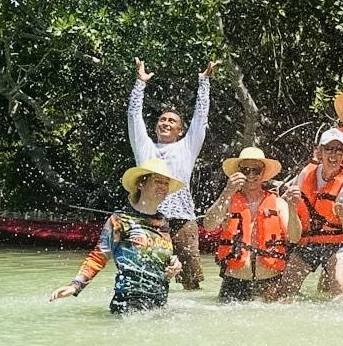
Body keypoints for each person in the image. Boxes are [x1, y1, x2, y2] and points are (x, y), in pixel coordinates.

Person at [128, 57, 218, 290]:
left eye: (172, 121)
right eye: (162, 119)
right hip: (148, 219)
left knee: (191, 282)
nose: (166, 123)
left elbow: (201, 118)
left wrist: (204, 82)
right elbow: (134, 117)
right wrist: (140, 83)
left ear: (180, 130)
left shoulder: (187, 147)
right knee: (148, 276)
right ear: (156, 126)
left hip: (182, 222)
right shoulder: (145, 148)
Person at [50, 157, 183, 312]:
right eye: (157, 181)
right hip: (127, 307)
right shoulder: (120, 220)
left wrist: (174, 264)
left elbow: (160, 258)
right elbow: (99, 255)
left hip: (159, 305)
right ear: (141, 184)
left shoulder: (163, 222)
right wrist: (75, 286)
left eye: (166, 183)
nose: (163, 186)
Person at [276, 128, 343, 301]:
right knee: (285, 287)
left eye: (339, 150)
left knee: (338, 282)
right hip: (309, 241)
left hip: (338, 242)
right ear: (319, 152)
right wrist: (290, 204)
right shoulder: (306, 174)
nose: (334, 154)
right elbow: (285, 202)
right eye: (329, 149)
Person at [203, 147, 288, 302]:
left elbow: (294, 238)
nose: (250, 175)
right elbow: (208, 224)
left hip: (270, 281)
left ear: (263, 173)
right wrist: (227, 192)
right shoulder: (227, 200)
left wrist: (294, 209)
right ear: (238, 172)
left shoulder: (278, 203)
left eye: (256, 170)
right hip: (234, 281)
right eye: (245, 170)